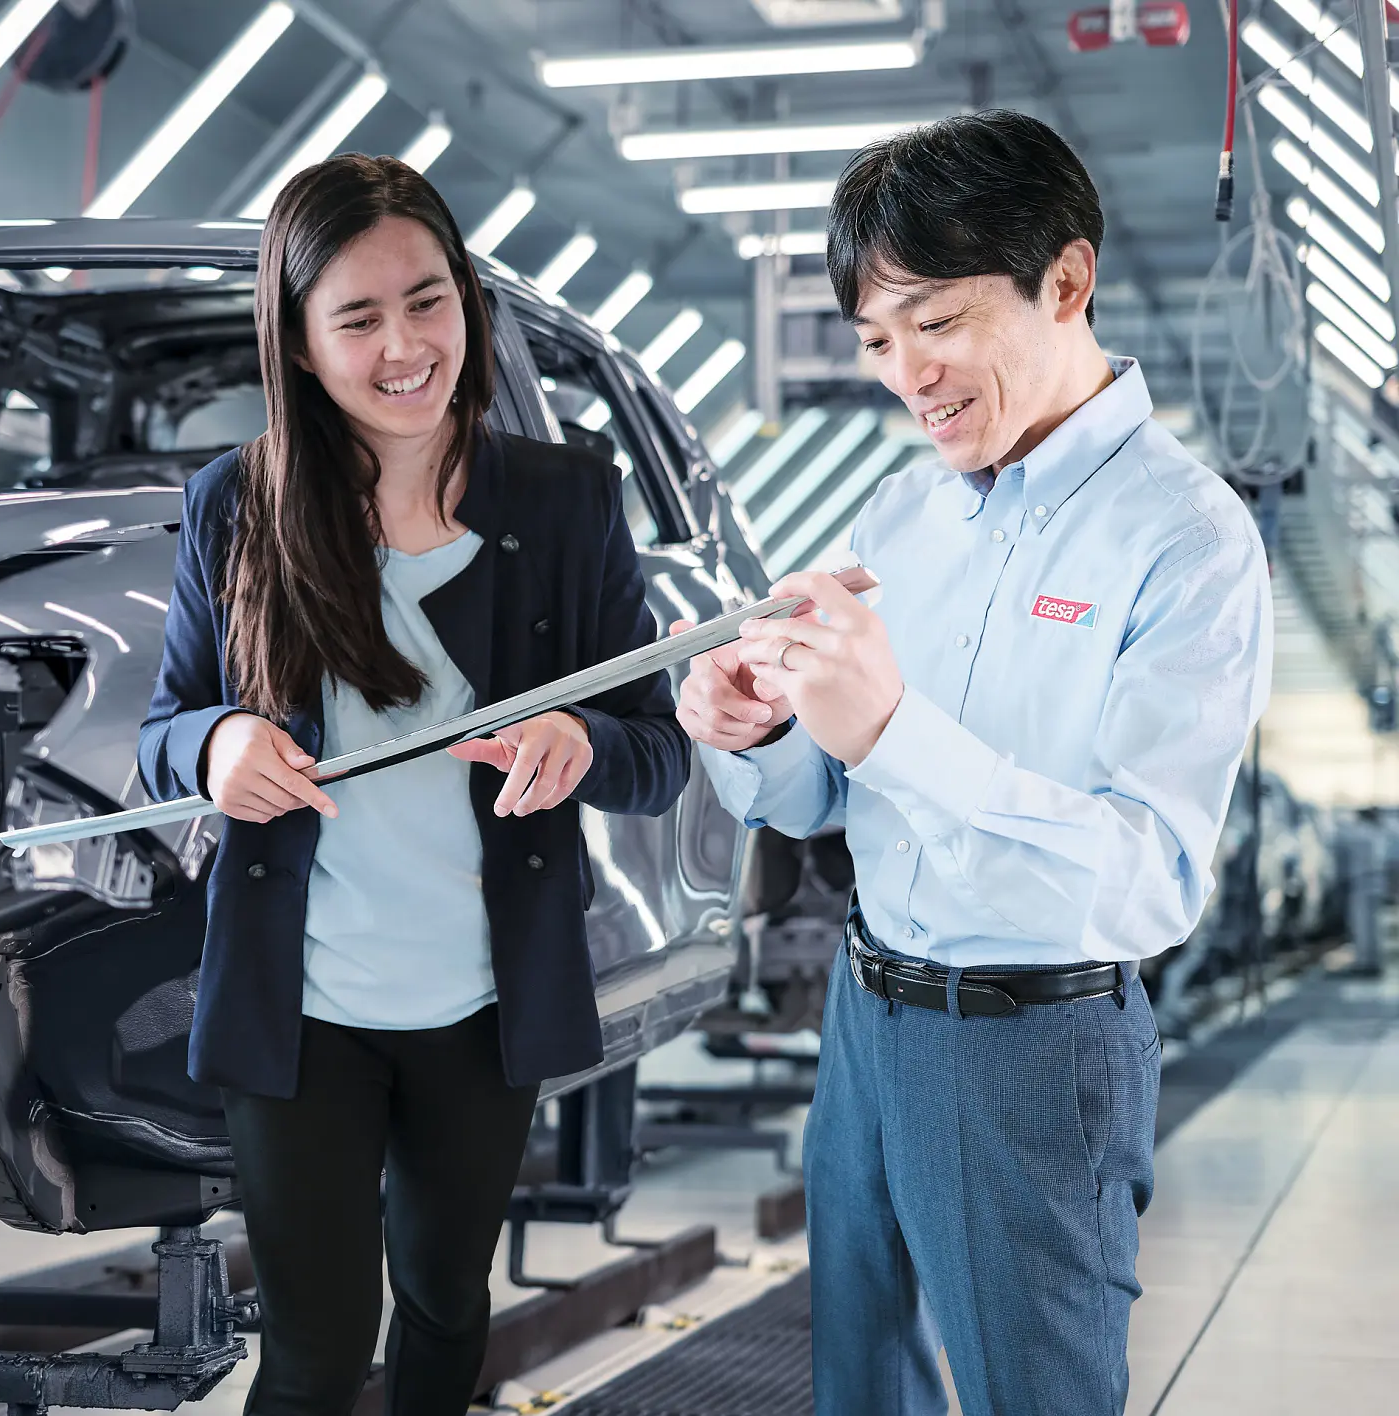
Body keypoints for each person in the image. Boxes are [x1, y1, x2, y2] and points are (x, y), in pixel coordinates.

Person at [674, 112, 1272, 1415]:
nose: (908, 376)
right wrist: (762, 732)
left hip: (1033, 1040)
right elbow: (831, 798)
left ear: (1066, 282)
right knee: (858, 1388)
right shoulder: (905, 515)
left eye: (935, 324)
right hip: (868, 1015)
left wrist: (896, 730)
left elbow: (1146, 878)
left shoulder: (1185, 539)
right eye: (880, 342)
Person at [136, 153, 689, 1416]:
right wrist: (218, 746)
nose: (404, 346)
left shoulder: (563, 503)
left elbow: (658, 757)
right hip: (304, 1008)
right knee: (316, 1355)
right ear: (298, 339)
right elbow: (167, 731)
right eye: (358, 317)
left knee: (446, 1308)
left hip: (482, 1010)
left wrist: (583, 744)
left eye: (427, 300)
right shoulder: (239, 505)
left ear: (468, 303)